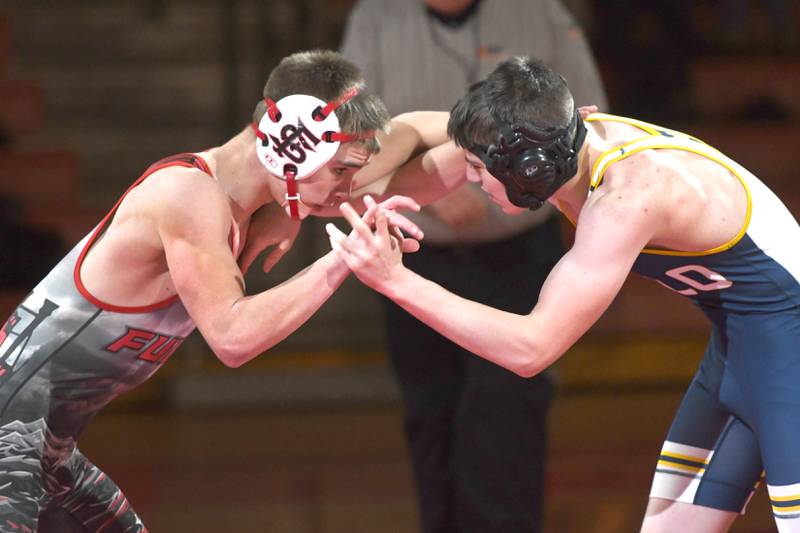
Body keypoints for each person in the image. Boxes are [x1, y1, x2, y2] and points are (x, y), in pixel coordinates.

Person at [328, 55, 800, 532]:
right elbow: (406, 141)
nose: (467, 179)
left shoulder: (629, 198)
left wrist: (396, 281)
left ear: (527, 169)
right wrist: (298, 192)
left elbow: (531, 349)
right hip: (745, 351)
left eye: (475, 167)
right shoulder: (554, 137)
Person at [0, 49, 449, 533]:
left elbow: (413, 131)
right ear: (289, 147)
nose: (348, 189)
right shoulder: (187, 197)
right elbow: (232, 339)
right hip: (12, 449)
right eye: (341, 172)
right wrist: (344, 257)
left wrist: (479, 132)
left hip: (43, 454)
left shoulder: (249, 202)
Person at [340, 2, 607, 531]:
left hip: (517, 254)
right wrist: (433, 192)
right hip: (421, 247)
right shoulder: (376, 17)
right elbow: (354, 144)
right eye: (473, 166)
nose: (477, 175)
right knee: (430, 415)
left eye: (478, 167)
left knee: (508, 414)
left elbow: (590, 127)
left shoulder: (539, 13)